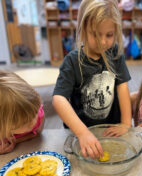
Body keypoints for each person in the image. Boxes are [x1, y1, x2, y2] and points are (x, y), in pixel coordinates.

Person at [52, 0, 132, 159]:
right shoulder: (72, 62)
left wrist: (126, 124)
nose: (103, 42)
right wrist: (82, 133)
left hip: (110, 132)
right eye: (95, 34)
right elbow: (59, 99)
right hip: (80, 135)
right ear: (83, 29)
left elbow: (122, 87)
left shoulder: (114, 54)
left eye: (109, 35)